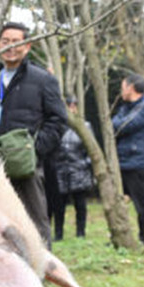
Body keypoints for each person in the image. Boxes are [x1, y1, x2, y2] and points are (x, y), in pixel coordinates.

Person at [0, 22, 67, 248]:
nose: (11, 47)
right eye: (5, 42)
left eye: (17, 42)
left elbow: (58, 120)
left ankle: (42, 267)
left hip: (26, 162)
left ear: (27, 46)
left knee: (34, 218)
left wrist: (34, 150)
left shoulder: (42, 79)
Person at [112, 73, 144, 246]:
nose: (121, 91)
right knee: (118, 202)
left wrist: (117, 123)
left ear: (131, 88)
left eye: (123, 87)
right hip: (123, 160)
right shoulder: (126, 107)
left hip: (137, 162)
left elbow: (121, 126)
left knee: (142, 203)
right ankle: (120, 237)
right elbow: (113, 123)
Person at [52, 95, 94, 240]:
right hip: (60, 170)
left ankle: (81, 233)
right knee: (59, 205)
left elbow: (92, 150)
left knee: (80, 204)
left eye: (74, 106)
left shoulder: (85, 126)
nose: (72, 109)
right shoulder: (57, 126)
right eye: (69, 106)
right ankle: (58, 234)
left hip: (79, 169)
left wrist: (85, 164)